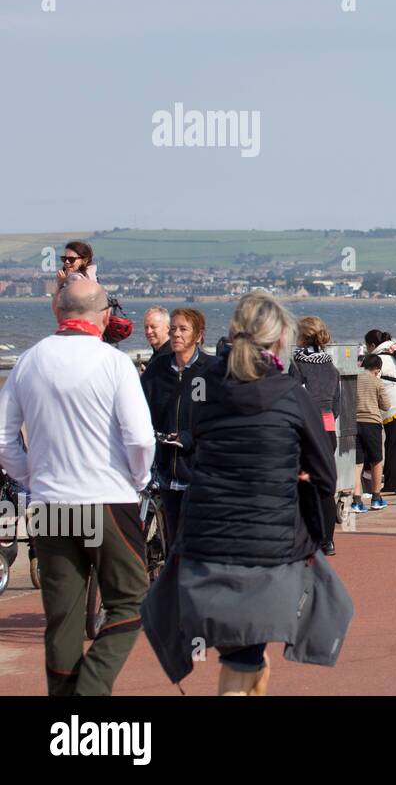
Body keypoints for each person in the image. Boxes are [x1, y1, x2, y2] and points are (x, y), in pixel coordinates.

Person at [142, 291, 350, 695]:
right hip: (268, 555)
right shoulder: (292, 395)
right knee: (248, 658)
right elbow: (327, 475)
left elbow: (196, 444)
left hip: (204, 547)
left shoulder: (206, 390)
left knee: (248, 657)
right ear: (278, 341)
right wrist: (296, 476)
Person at [0, 281, 154, 696]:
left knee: (62, 615)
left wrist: (32, 478)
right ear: (103, 315)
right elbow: (140, 438)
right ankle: (90, 688)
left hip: (53, 502)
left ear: (58, 312)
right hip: (106, 496)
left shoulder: (29, 362)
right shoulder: (113, 363)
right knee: (131, 600)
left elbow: (3, 438)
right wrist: (137, 480)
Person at [140, 307, 212, 550]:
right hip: (166, 474)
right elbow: (139, 410)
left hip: (199, 473)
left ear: (199, 335)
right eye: (173, 330)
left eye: (183, 329)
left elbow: (216, 418)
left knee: (198, 543)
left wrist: (190, 438)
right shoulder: (157, 370)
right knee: (173, 545)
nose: (177, 335)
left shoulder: (209, 371)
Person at [294, 317, 341, 555]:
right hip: (328, 429)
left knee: (302, 482)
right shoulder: (331, 367)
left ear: (301, 337)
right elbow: (336, 404)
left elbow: (295, 399)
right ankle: (328, 540)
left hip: (307, 429)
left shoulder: (298, 364)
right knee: (325, 486)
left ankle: (307, 535)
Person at [366, 329, 396, 495]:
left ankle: (394, 484)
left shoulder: (378, 359)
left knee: (395, 448)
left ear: (372, 345)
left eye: (367, 346)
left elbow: (370, 383)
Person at [353, 354, 388, 512]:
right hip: (372, 423)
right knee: (376, 461)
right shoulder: (377, 381)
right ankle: (376, 497)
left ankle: (356, 500)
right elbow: (386, 405)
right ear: (377, 369)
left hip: (354, 424)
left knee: (357, 463)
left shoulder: (354, 379)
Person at [50, 240, 97, 320]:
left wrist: (60, 285)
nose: (67, 262)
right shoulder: (91, 278)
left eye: (71, 259)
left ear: (84, 260)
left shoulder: (75, 279)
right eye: (64, 259)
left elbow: (56, 310)